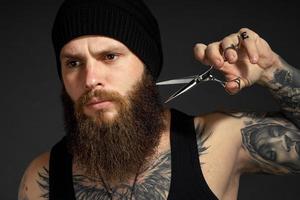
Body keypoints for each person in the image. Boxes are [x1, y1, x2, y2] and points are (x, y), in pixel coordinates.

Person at [18, 0, 300, 199]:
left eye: (110, 56)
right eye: (74, 63)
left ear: (146, 68)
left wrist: (273, 72)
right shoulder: (42, 179)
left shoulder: (219, 139)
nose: (91, 79)